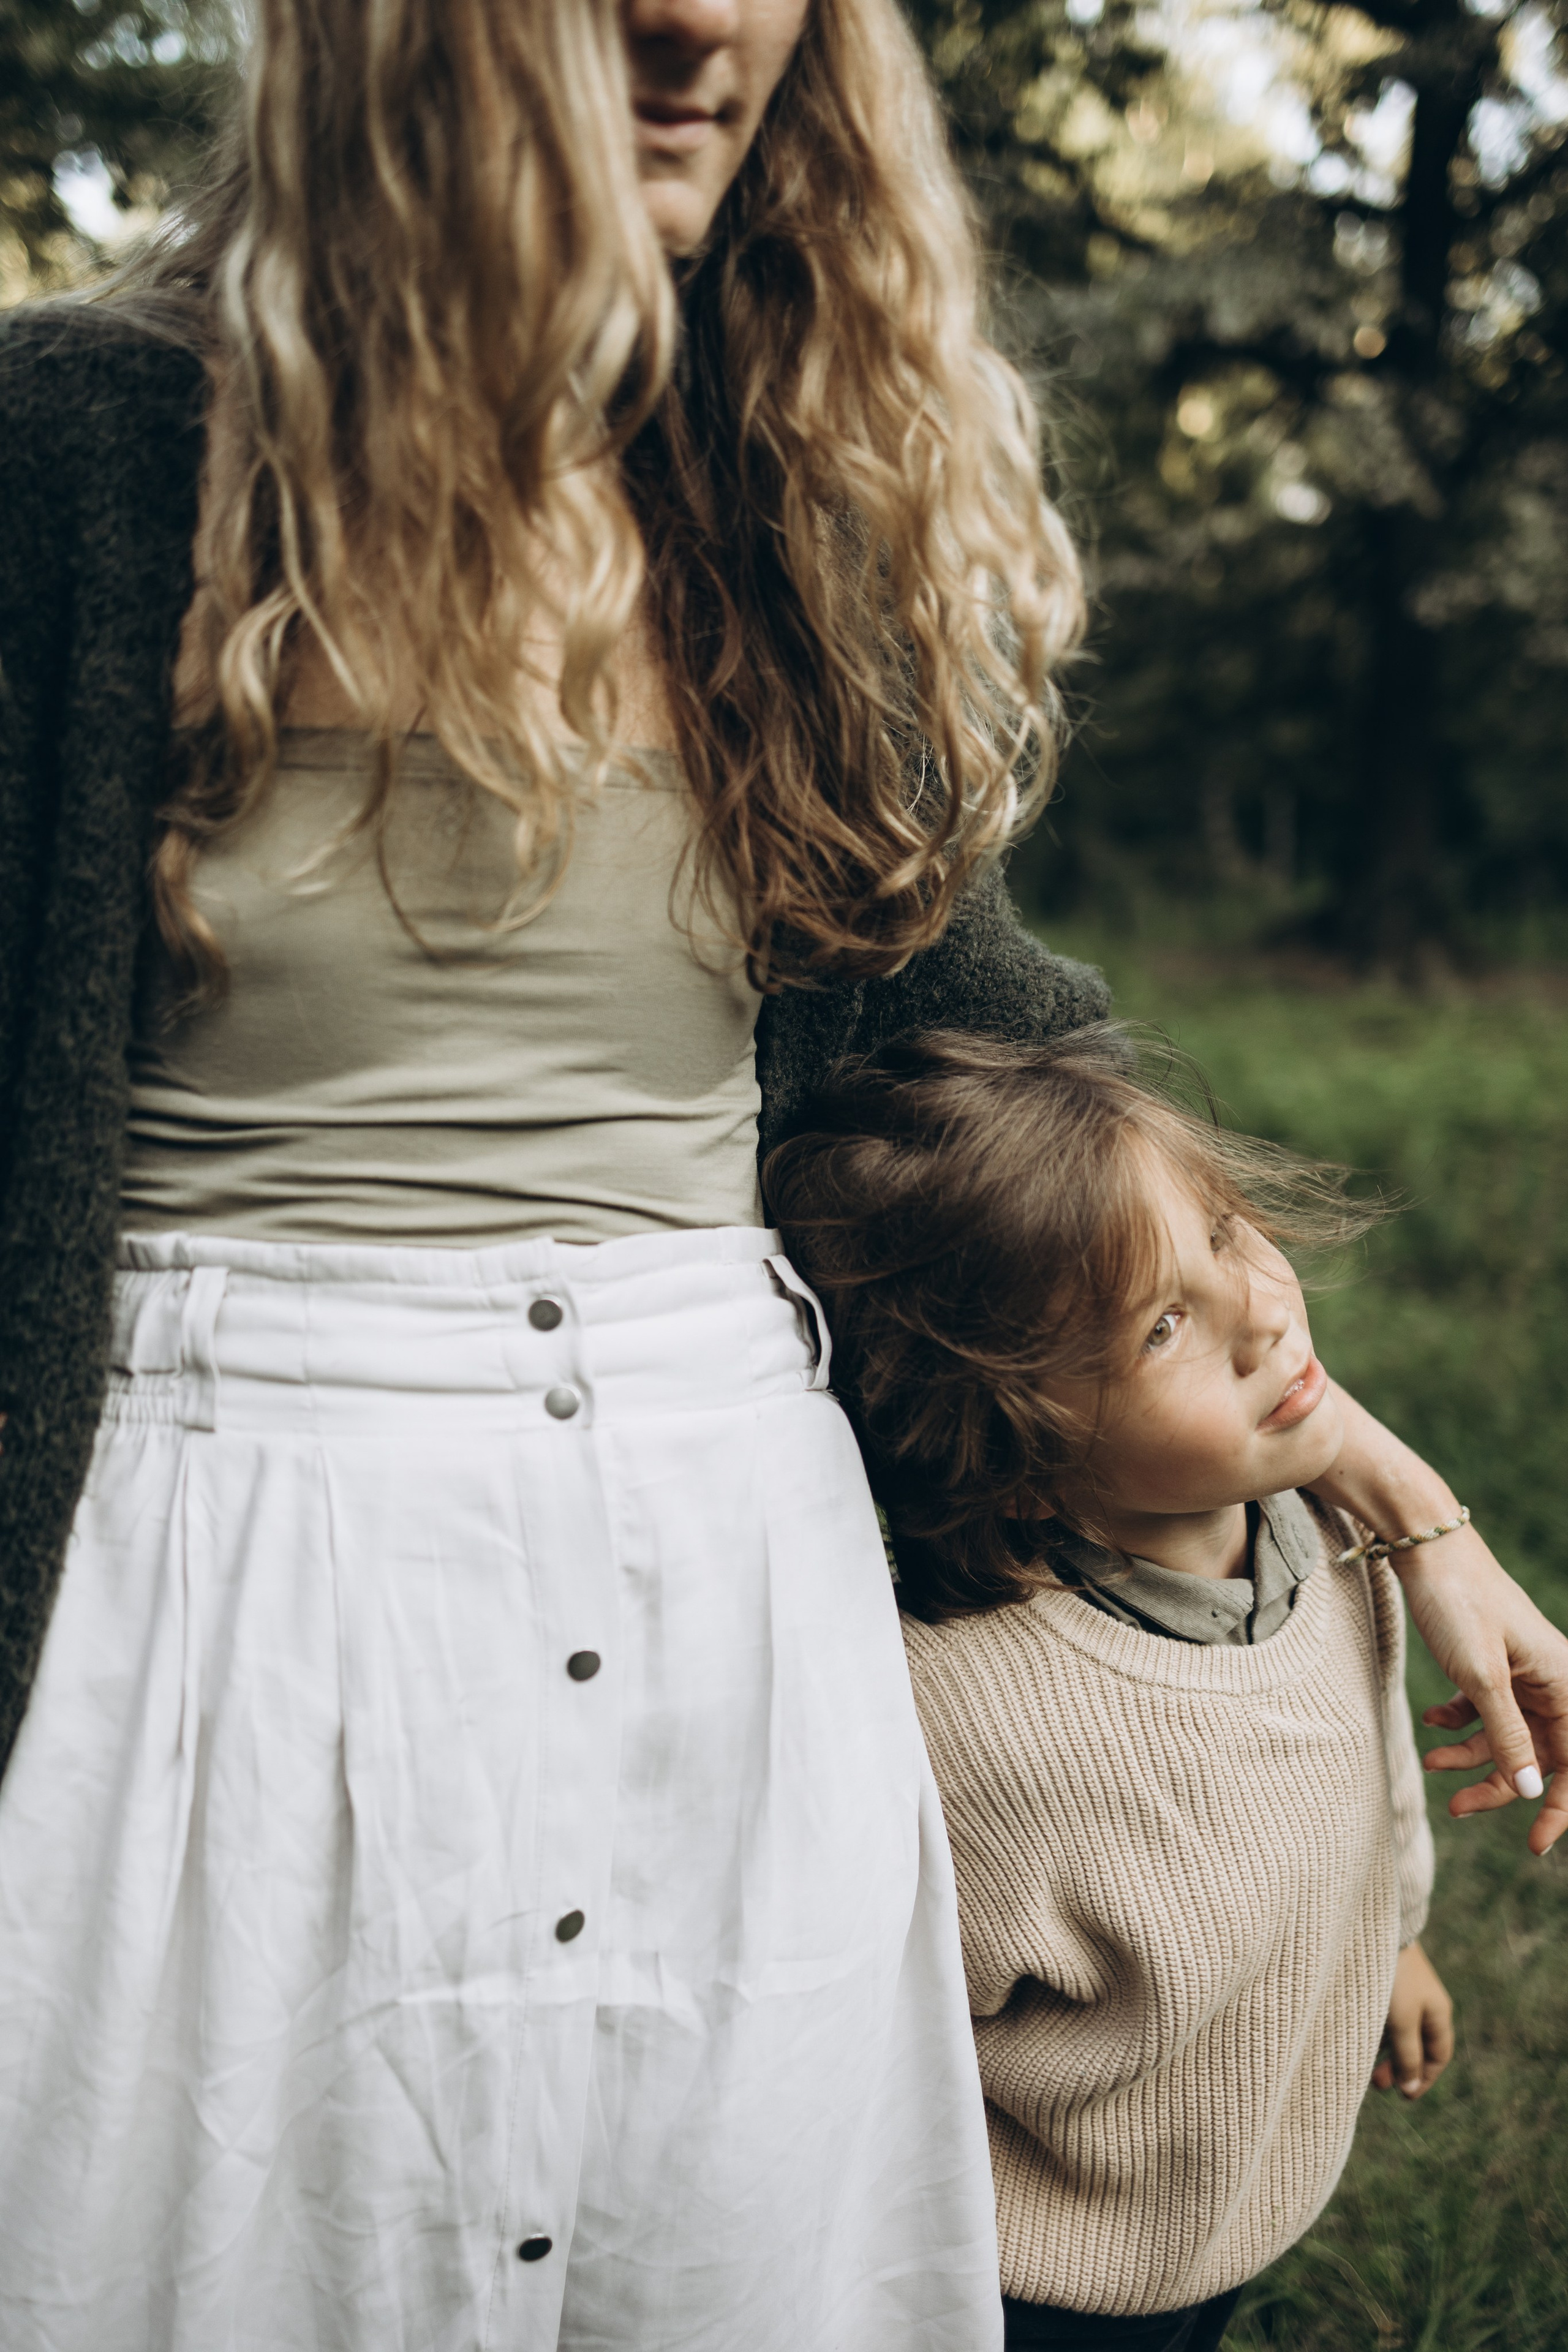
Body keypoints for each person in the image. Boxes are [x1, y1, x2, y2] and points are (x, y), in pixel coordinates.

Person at [0, 3, 1561, 2348]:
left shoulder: (766, 497)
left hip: (732, 1578)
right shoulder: (87, 464)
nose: (704, 18)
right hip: (223, 1587)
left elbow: (1014, 1060)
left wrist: (1394, 1499)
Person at [767, 1028, 1468, 2351]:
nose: (1260, 1307)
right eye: (1164, 1327)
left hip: (1232, 2193)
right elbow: (865, 2033)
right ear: (1014, 1452)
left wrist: (1391, 1936)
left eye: (1220, 1234)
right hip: (1033, 2269)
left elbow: (1356, 1757)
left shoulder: (1317, 1537)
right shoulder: (957, 1721)